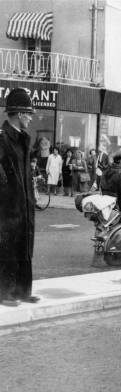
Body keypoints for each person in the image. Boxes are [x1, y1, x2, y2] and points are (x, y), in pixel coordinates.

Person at [0, 87, 41, 306]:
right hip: (7, 208)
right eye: (28, 114)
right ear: (17, 113)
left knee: (25, 246)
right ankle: (4, 293)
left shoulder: (24, 140)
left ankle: (23, 291)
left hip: (25, 205)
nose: (31, 118)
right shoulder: (2, 139)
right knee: (7, 249)